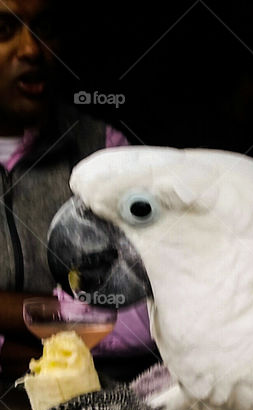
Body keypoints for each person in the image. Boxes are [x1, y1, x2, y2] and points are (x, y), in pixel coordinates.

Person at [0, 0, 152, 373]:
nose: (32, 49)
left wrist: (22, 330)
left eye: (45, 29)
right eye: (4, 30)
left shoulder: (105, 150)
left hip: (96, 409)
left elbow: (149, 312)